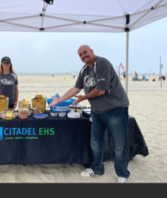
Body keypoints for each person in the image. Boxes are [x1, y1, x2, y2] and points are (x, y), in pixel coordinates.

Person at [48, 45, 131, 182]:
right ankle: (97, 169)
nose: (83, 56)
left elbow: (100, 91)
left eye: (85, 52)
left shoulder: (102, 63)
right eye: (80, 55)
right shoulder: (84, 70)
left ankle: (122, 175)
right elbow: (76, 88)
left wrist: (83, 98)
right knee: (96, 142)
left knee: (120, 145)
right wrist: (59, 100)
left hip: (115, 110)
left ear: (91, 51)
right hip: (96, 111)